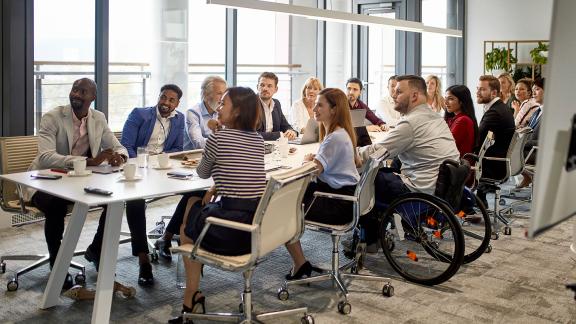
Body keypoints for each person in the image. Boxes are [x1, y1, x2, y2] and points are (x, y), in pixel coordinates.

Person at [169, 87, 266, 323]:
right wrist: (217, 186)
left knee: (187, 223)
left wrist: (216, 135)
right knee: (193, 203)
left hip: (231, 231)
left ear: (238, 111)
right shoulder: (258, 139)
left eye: (223, 104)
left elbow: (202, 173)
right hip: (256, 229)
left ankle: (190, 297)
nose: (218, 108)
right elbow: (238, 175)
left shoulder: (218, 137)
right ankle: (192, 297)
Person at [29, 78, 128, 289]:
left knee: (114, 203)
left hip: (78, 182)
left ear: (92, 97)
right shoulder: (52, 117)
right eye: (74, 90)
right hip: (45, 180)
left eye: (82, 92)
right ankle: (58, 265)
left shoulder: (98, 118)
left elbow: (119, 147)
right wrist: (88, 161)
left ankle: (96, 251)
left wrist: (120, 157)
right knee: (55, 206)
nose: (76, 94)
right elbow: (46, 157)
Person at [357, 75, 460, 249]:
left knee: (367, 178)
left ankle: (370, 239)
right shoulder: (434, 116)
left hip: (420, 189)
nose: (393, 96)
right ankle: (390, 227)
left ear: (414, 96)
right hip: (441, 185)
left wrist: (351, 152)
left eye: (398, 92)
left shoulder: (410, 123)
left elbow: (376, 153)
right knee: (391, 167)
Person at [285, 88, 360, 280]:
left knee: (282, 210)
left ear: (334, 110)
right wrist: (314, 159)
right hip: (344, 197)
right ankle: (300, 263)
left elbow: (311, 172)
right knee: (290, 195)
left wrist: (307, 161)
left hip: (336, 203)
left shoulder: (334, 137)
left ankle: (300, 264)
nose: (315, 108)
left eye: (320, 105)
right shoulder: (341, 133)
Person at [119, 84, 185, 285]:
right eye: (163, 97)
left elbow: (177, 148)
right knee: (135, 202)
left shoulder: (179, 119)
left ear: (177, 103)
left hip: (161, 170)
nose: (165, 102)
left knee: (194, 192)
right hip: (137, 168)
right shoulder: (140, 114)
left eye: (171, 100)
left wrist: (162, 163)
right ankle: (143, 259)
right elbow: (126, 144)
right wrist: (140, 164)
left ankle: (166, 237)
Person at [475, 75, 516, 206]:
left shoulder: (495, 112)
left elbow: (478, 139)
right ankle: (480, 199)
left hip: (494, 165)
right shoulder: (501, 107)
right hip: (500, 161)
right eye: (477, 88)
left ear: (493, 93)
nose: (477, 92)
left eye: (482, 89)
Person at [183, 76, 227, 150]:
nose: (223, 98)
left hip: (214, 156)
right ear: (206, 95)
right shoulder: (192, 113)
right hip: (192, 158)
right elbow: (199, 144)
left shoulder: (222, 112)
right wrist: (223, 141)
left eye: (225, 94)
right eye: (219, 93)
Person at [518, 77, 545, 188]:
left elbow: (545, 141)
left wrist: (523, 142)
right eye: (533, 89)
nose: (533, 92)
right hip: (528, 149)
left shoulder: (550, 113)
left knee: (504, 153)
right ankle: (528, 177)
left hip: (537, 152)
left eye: (537, 89)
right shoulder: (537, 111)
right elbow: (529, 132)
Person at [256, 72, 297, 140]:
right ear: (257, 87)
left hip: (274, 147)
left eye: (269, 86)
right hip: (257, 146)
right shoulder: (250, 104)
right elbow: (252, 134)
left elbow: (285, 126)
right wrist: (279, 135)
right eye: (262, 85)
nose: (265, 88)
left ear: (276, 89)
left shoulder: (276, 103)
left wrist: (291, 132)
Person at [443, 85, 479, 159]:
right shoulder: (454, 119)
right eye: (445, 98)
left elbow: (446, 145)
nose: (445, 102)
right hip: (454, 163)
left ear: (461, 102)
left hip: (458, 166)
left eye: (450, 99)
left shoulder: (463, 120)